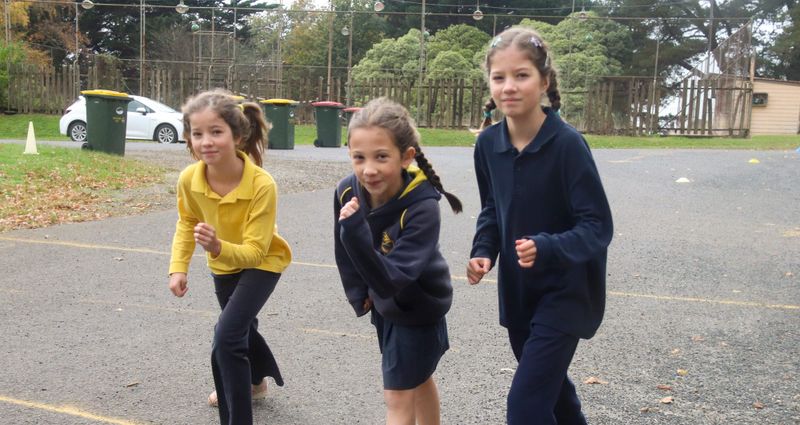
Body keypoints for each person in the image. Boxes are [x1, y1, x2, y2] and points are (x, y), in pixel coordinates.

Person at [466, 27, 613, 425]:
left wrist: (547, 247)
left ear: (544, 81)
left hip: (567, 291)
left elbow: (597, 225)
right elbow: (493, 208)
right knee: (554, 396)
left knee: (526, 406)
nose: (509, 87)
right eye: (499, 77)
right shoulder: (487, 145)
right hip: (519, 294)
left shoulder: (567, 144)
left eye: (522, 75)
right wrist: (483, 251)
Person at [334, 97, 462, 425]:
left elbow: (393, 278)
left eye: (381, 157)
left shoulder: (422, 206)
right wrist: (357, 291)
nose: (369, 169)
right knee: (417, 379)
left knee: (398, 395)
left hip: (418, 307)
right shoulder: (347, 190)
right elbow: (344, 251)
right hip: (384, 302)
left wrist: (356, 233)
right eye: (359, 157)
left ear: (406, 157)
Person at [167, 89, 292, 425]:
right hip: (222, 265)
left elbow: (255, 251)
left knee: (227, 337)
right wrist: (178, 268)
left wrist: (217, 246)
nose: (206, 141)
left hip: (263, 263)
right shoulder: (189, 179)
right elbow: (187, 222)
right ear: (189, 139)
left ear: (237, 136)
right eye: (197, 134)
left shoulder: (262, 185)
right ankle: (255, 382)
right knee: (242, 326)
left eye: (216, 132)